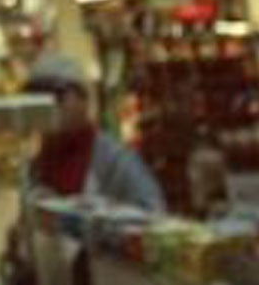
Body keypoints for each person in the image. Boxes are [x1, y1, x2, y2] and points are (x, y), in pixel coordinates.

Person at [24, 52, 165, 210]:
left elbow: (153, 213)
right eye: (37, 100)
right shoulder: (36, 166)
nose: (49, 108)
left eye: (57, 96)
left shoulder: (114, 160)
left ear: (84, 100)